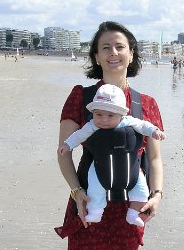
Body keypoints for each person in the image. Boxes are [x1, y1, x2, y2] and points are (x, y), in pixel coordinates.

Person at [49, 21, 164, 250]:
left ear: (131, 53)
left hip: (129, 208)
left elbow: (155, 159)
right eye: (105, 47)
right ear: (96, 56)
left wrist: (157, 195)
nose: (113, 53)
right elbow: (64, 152)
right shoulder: (81, 97)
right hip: (89, 205)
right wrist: (77, 193)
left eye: (120, 46)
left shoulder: (146, 104)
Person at [58, 84, 165, 227]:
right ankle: (95, 212)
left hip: (130, 168)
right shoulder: (92, 126)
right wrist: (67, 144)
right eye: (99, 115)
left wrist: (154, 131)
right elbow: (78, 135)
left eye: (110, 115)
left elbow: (144, 126)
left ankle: (133, 214)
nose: (104, 120)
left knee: (141, 191)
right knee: (95, 188)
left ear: (121, 114)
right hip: (100, 167)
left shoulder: (129, 121)